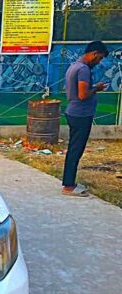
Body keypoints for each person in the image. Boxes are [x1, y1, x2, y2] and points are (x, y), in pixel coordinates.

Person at [62, 41, 109, 197]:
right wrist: (97, 88)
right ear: (94, 54)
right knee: (76, 150)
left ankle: (70, 182)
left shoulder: (74, 66)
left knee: (74, 149)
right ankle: (68, 186)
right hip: (80, 114)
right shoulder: (83, 70)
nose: (100, 61)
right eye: (100, 58)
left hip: (74, 112)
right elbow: (82, 95)